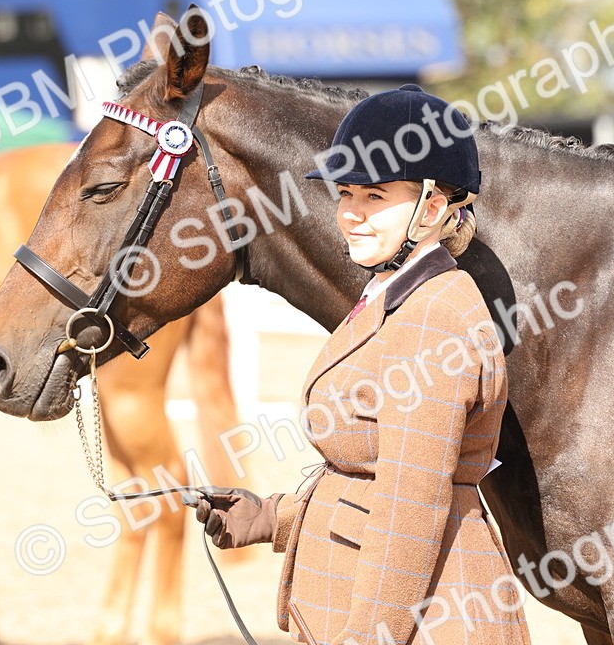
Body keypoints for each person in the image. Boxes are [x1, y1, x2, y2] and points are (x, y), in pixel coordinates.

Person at [191, 85, 531, 645]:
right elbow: (369, 480)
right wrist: (272, 518)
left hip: (427, 620)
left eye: (374, 196)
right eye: (345, 194)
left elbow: (410, 506)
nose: (349, 214)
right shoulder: (390, 297)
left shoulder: (435, 319)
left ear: (434, 207)